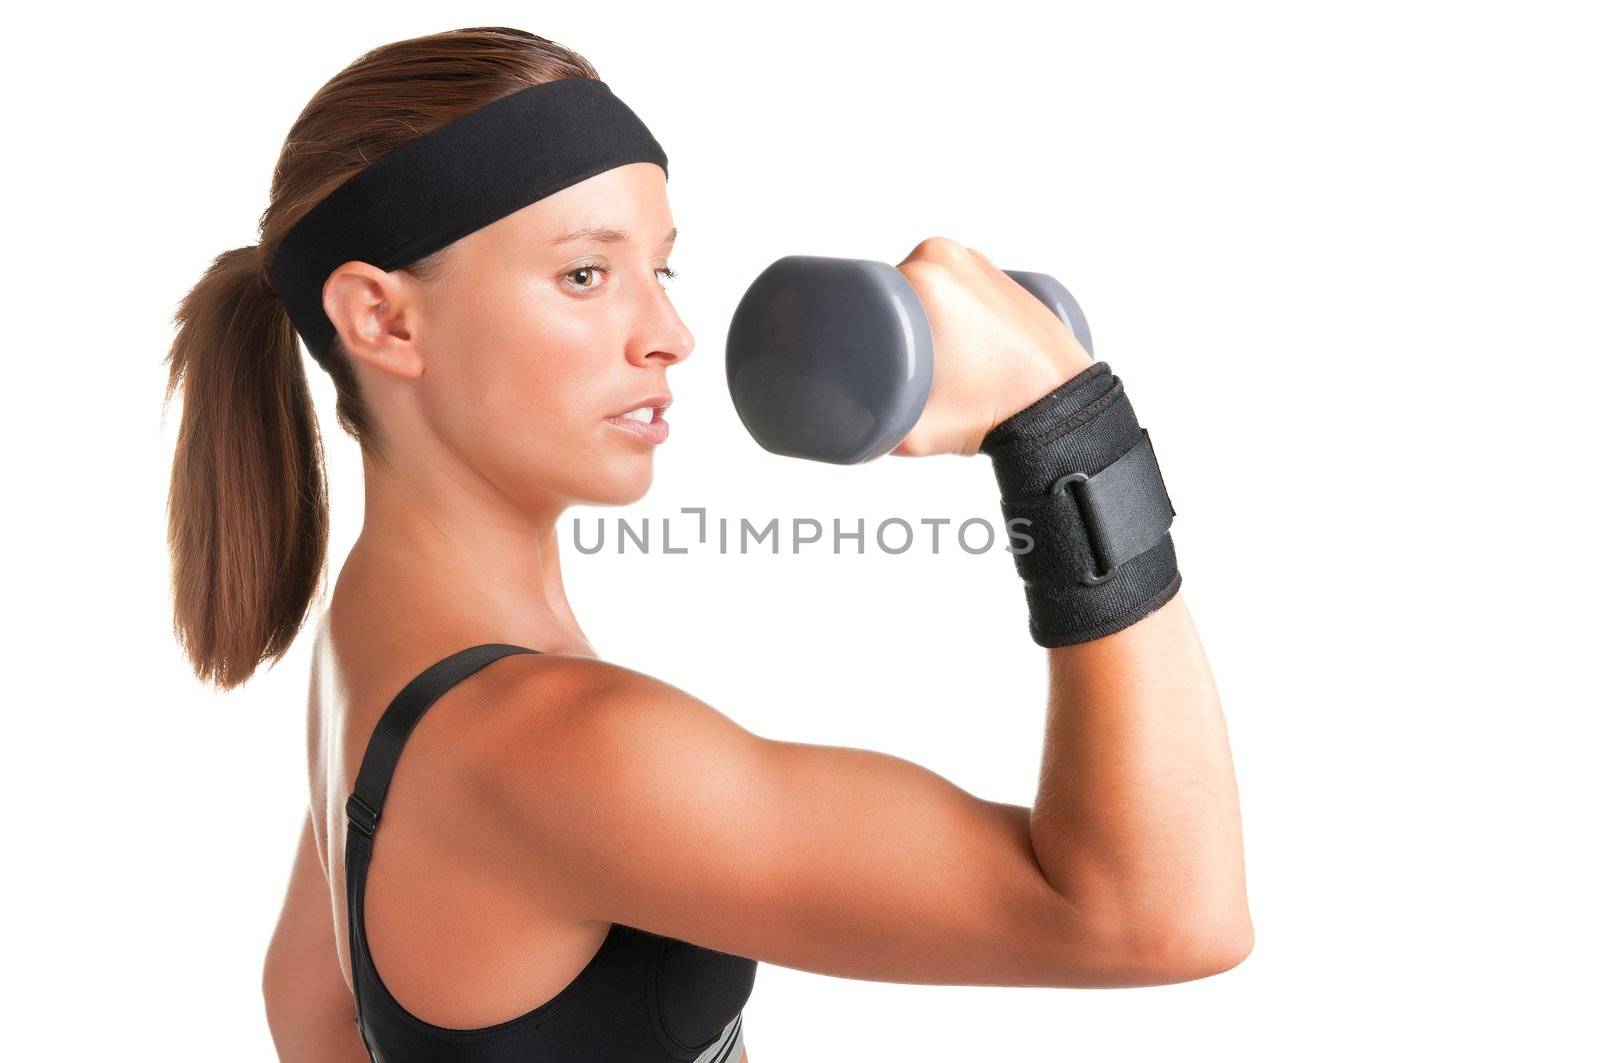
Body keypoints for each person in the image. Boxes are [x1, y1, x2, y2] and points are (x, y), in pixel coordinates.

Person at [162, 26, 1251, 1063]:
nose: (671, 336)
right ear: (384, 320)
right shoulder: (556, 746)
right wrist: (1066, 430)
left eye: (661, 269)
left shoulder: (377, 639)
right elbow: (1160, 915)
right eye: (586, 273)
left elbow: (307, 996)